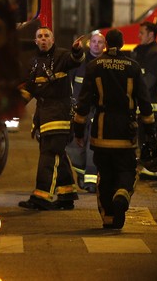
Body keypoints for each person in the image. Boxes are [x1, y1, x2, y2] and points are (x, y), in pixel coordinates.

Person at [72, 29, 156, 229]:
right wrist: (150, 130)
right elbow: (144, 101)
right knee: (126, 169)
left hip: (101, 130)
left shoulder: (94, 66)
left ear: (106, 44)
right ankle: (122, 194)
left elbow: (83, 102)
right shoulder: (133, 67)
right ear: (123, 42)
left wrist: (78, 130)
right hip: (125, 132)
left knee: (105, 174)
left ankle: (109, 218)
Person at [18, 27, 85, 210]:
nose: (43, 39)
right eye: (39, 36)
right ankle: (66, 195)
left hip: (59, 114)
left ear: (53, 40)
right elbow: (29, 88)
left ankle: (41, 196)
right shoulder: (34, 62)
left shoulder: (63, 56)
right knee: (57, 154)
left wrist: (77, 50)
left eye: (47, 36)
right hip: (44, 115)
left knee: (49, 155)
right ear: (35, 41)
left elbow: (76, 60)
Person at [65, 31, 106, 193]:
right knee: (75, 146)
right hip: (79, 110)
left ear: (105, 46)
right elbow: (68, 84)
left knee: (93, 146)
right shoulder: (79, 62)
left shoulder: (106, 63)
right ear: (89, 44)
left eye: (100, 42)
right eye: (94, 41)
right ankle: (82, 174)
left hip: (98, 110)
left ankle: (91, 181)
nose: (96, 44)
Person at [131, 21, 157, 180]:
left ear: (151, 34)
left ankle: (153, 169)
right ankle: (146, 165)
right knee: (141, 135)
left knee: (150, 135)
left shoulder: (155, 53)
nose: (139, 35)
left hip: (151, 102)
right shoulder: (140, 51)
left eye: (142, 33)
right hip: (141, 101)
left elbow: (150, 81)